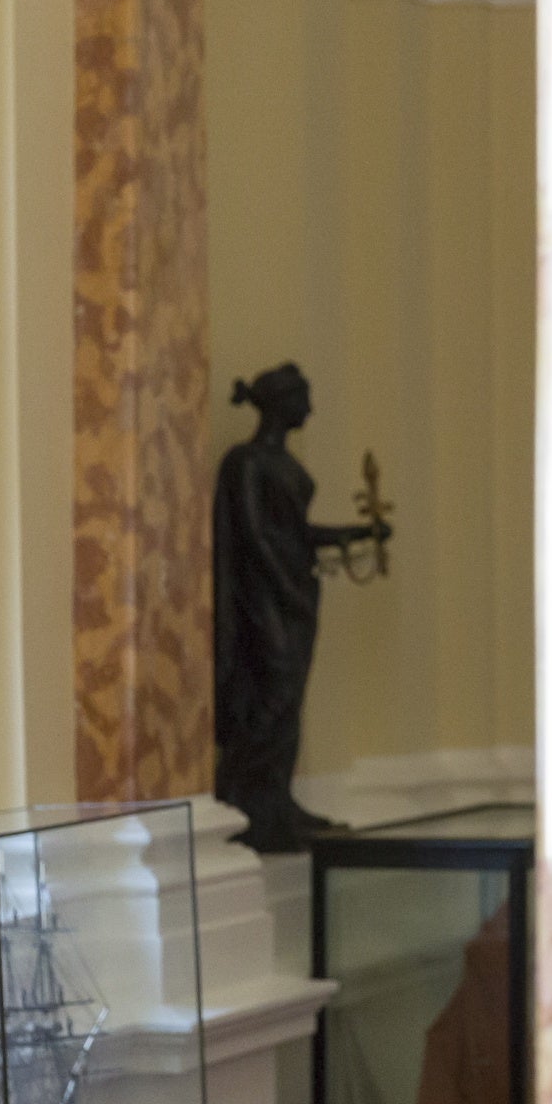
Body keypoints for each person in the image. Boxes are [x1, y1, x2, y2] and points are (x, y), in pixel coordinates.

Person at [212, 363, 389, 850]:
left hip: (294, 595)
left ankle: (276, 800)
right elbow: (254, 537)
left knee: (290, 702)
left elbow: (295, 536)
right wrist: (287, 589)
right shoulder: (245, 463)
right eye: (303, 397)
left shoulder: (284, 465)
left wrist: (357, 534)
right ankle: (241, 801)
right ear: (281, 402)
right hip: (264, 600)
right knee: (269, 699)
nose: (309, 407)